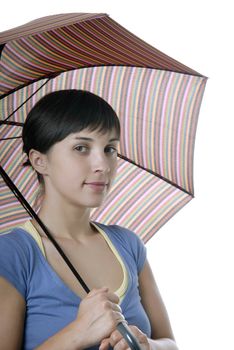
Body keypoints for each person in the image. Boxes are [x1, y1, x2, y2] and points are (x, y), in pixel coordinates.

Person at [0, 90, 178, 350]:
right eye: (81, 148)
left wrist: (148, 344)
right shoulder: (13, 255)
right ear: (40, 161)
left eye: (109, 149)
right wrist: (78, 332)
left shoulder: (128, 244)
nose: (103, 165)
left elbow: (171, 343)